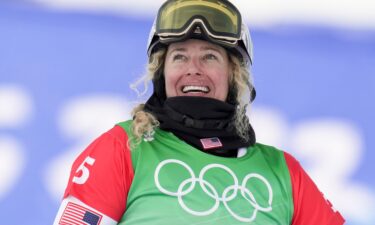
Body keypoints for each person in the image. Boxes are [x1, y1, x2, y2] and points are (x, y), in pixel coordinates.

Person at [53, 0, 345, 224]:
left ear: (234, 75)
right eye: (179, 56)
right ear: (161, 74)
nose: (194, 68)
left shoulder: (283, 171)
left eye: (209, 56)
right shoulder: (124, 148)